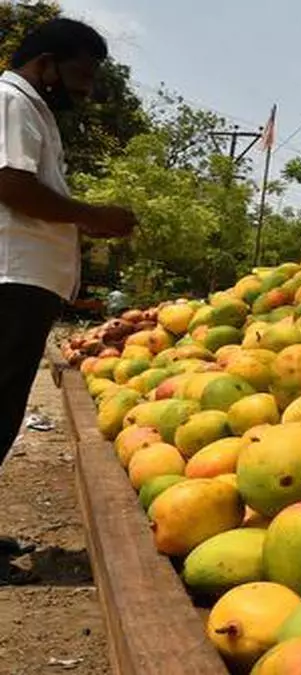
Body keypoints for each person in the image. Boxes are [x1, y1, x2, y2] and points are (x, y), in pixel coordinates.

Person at [0, 18, 137, 583]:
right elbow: (11, 186)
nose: (87, 89)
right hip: (9, 279)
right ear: (46, 63)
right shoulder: (10, 101)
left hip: (25, 283)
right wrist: (91, 215)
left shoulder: (32, 109)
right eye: (81, 73)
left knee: (5, 408)